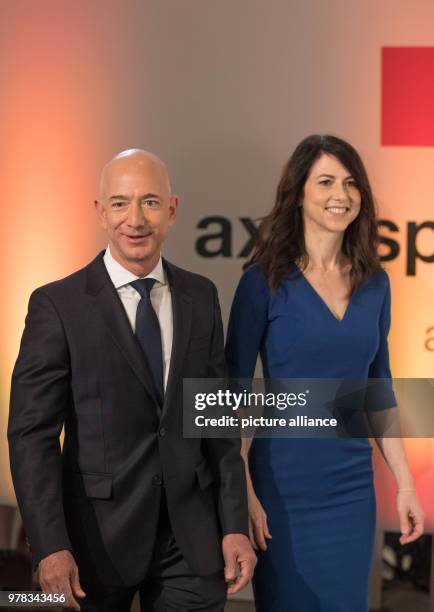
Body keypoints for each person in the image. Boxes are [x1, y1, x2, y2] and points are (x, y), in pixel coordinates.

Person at [8, 149, 256, 612]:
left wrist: (234, 524)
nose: (136, 219)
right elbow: (31, 435)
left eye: (150, 202)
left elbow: (218, 426)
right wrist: (49, 545)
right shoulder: (58, 306)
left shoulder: (201, 297)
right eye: (120, 203)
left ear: (173, 210)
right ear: (100, 212)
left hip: (191, 540)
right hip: (93, 543)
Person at [225, 135, 424, 612]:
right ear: (298, 193)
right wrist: (243, 490)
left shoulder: (376, 282)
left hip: (352, 489)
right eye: (327, 182)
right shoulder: (261, 281)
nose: (342, 194)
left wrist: (405, 483)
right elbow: (234, 390)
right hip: (280, 488)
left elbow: (379, 391)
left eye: (351, 182)